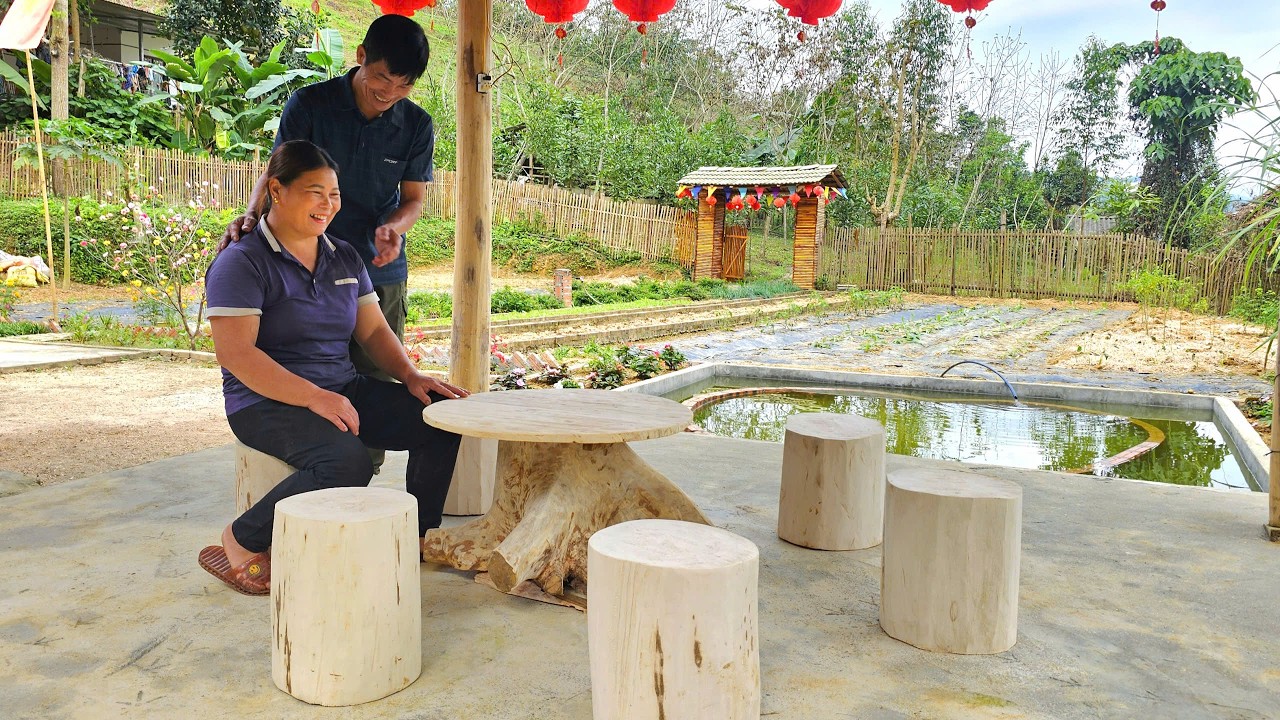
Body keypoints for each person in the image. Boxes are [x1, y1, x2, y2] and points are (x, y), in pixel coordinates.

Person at [199, 140, 467, 596]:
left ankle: (417, 533)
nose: (328, 204)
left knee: (439, 417)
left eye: (334, 194)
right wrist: (314, 397)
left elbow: (375, 332)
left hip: (341, 387)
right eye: (314, 192)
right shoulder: (241, 262)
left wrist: (411, 376)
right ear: (277, 191)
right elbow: (237, 355)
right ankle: (240, 539)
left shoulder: (343, 256)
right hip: (264, 402)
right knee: (346, 462)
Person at [223, 13, 436, 473]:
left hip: (376, 265)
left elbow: (414, 199)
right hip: (296, 257)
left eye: (403, 86)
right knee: (299, 361)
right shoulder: (312, 104)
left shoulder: (416, 124)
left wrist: (394, 228)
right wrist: (251, 216)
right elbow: (279, 169)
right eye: (382, 78)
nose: (389, 93)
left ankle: (360, 477)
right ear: (361, 57)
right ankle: (319, 468)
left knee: (376, 376)